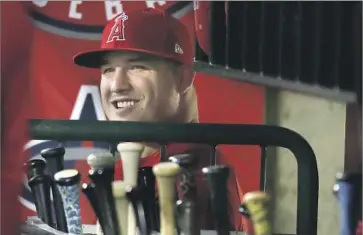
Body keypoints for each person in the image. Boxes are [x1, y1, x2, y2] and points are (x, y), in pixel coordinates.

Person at [73, 7, 253, 233]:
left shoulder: (196, 173)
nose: (117, 85)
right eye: (108, 69)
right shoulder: (123, 168)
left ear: (183, 78)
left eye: (137, 67)